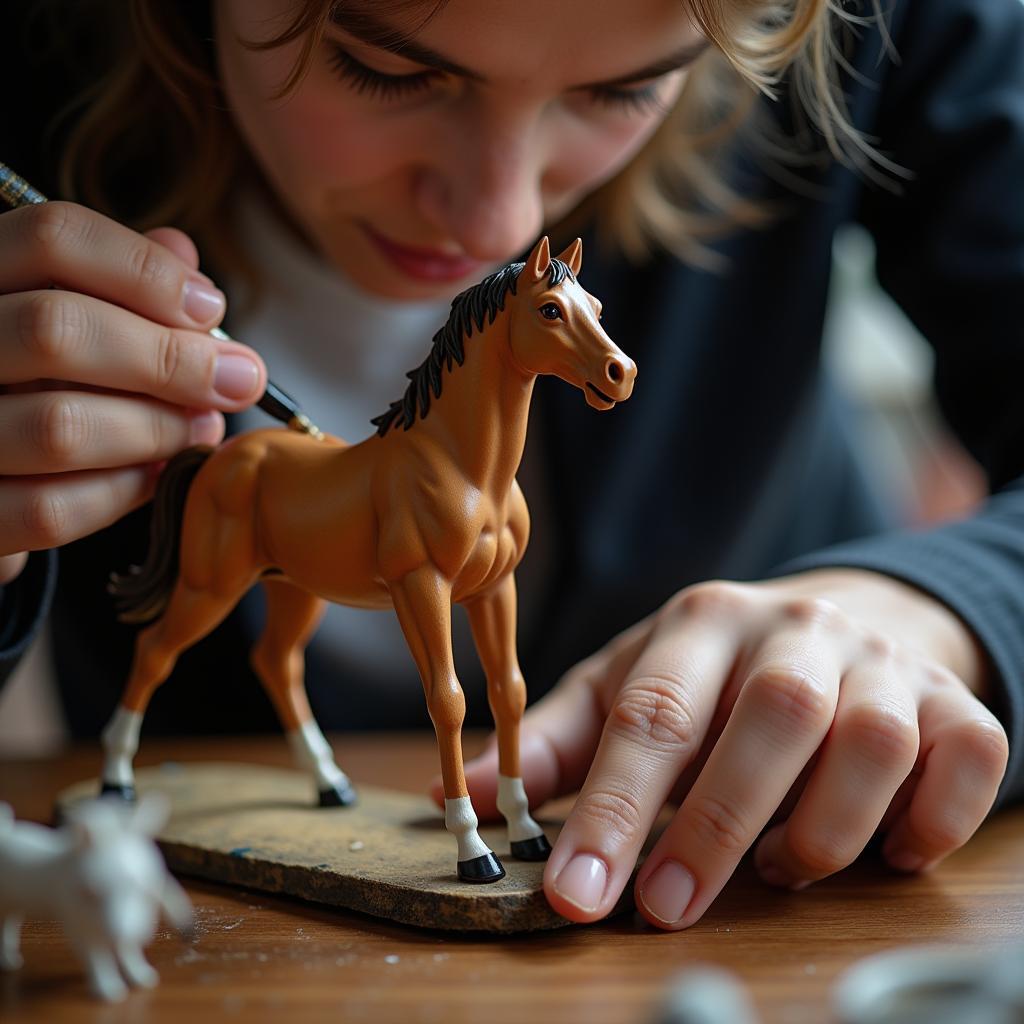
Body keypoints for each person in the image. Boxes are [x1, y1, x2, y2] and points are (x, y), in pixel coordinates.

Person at [1, 0, 1021, 931]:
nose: (496, 222)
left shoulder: (893, 22)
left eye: (623, 88)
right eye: (382, 70)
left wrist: (941, 608)